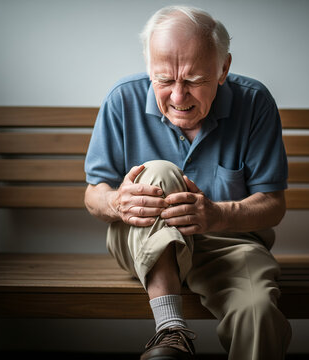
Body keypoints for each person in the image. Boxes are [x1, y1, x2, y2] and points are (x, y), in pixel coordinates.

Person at [84, 5, 291, 360]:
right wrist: (117, 201)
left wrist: (218, 215)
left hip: (228, 244)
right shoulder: (122, 99)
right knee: (161, 171)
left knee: (258, 312)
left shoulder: (254, 101)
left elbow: (272, 204)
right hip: (140, 238)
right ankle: (170, 330)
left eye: (194, 80)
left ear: (223, 68)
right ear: (149, 66)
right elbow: (94, 194)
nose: (178, 97)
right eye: (164, 80)